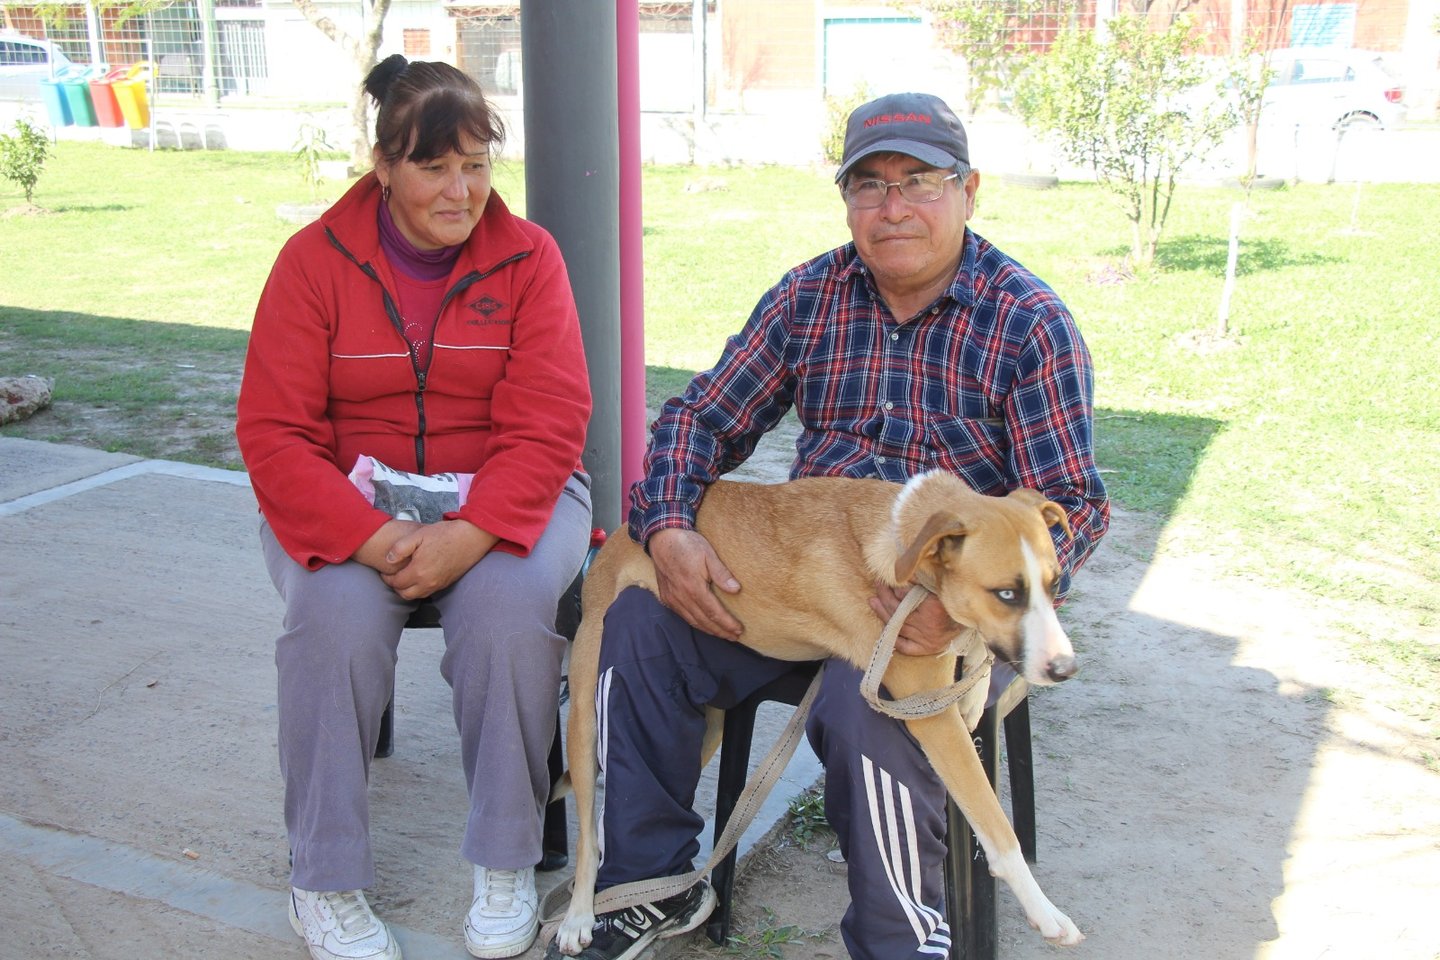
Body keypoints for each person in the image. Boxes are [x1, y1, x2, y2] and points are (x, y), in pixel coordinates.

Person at [545, 92, 1110, 960]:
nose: (894, 207)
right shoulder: (811, 295)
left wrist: (953, 611)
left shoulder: (1027, 323)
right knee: (639, 628)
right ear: (846, 200)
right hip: (810, 587)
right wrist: (668, 531)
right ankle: (648, 885)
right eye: (869, 185)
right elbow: (699, 420)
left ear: (969, 192)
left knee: (871, 699)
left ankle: (901, 940)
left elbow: (1073, 499)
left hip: (950, 609)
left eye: (921, 182)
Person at [237, 55, 593, 960]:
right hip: (350, 503)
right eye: (434, 167)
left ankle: (506, 859)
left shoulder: (530, 258)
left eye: (476, 164)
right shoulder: (312, 262)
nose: (460, 190)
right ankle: (322, 880)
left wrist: (472, 535)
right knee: (330, 618)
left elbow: (551, 421)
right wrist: (370, 535)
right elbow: (275, 432)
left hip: (508, 493)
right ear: (384, 165)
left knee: (509, 608)